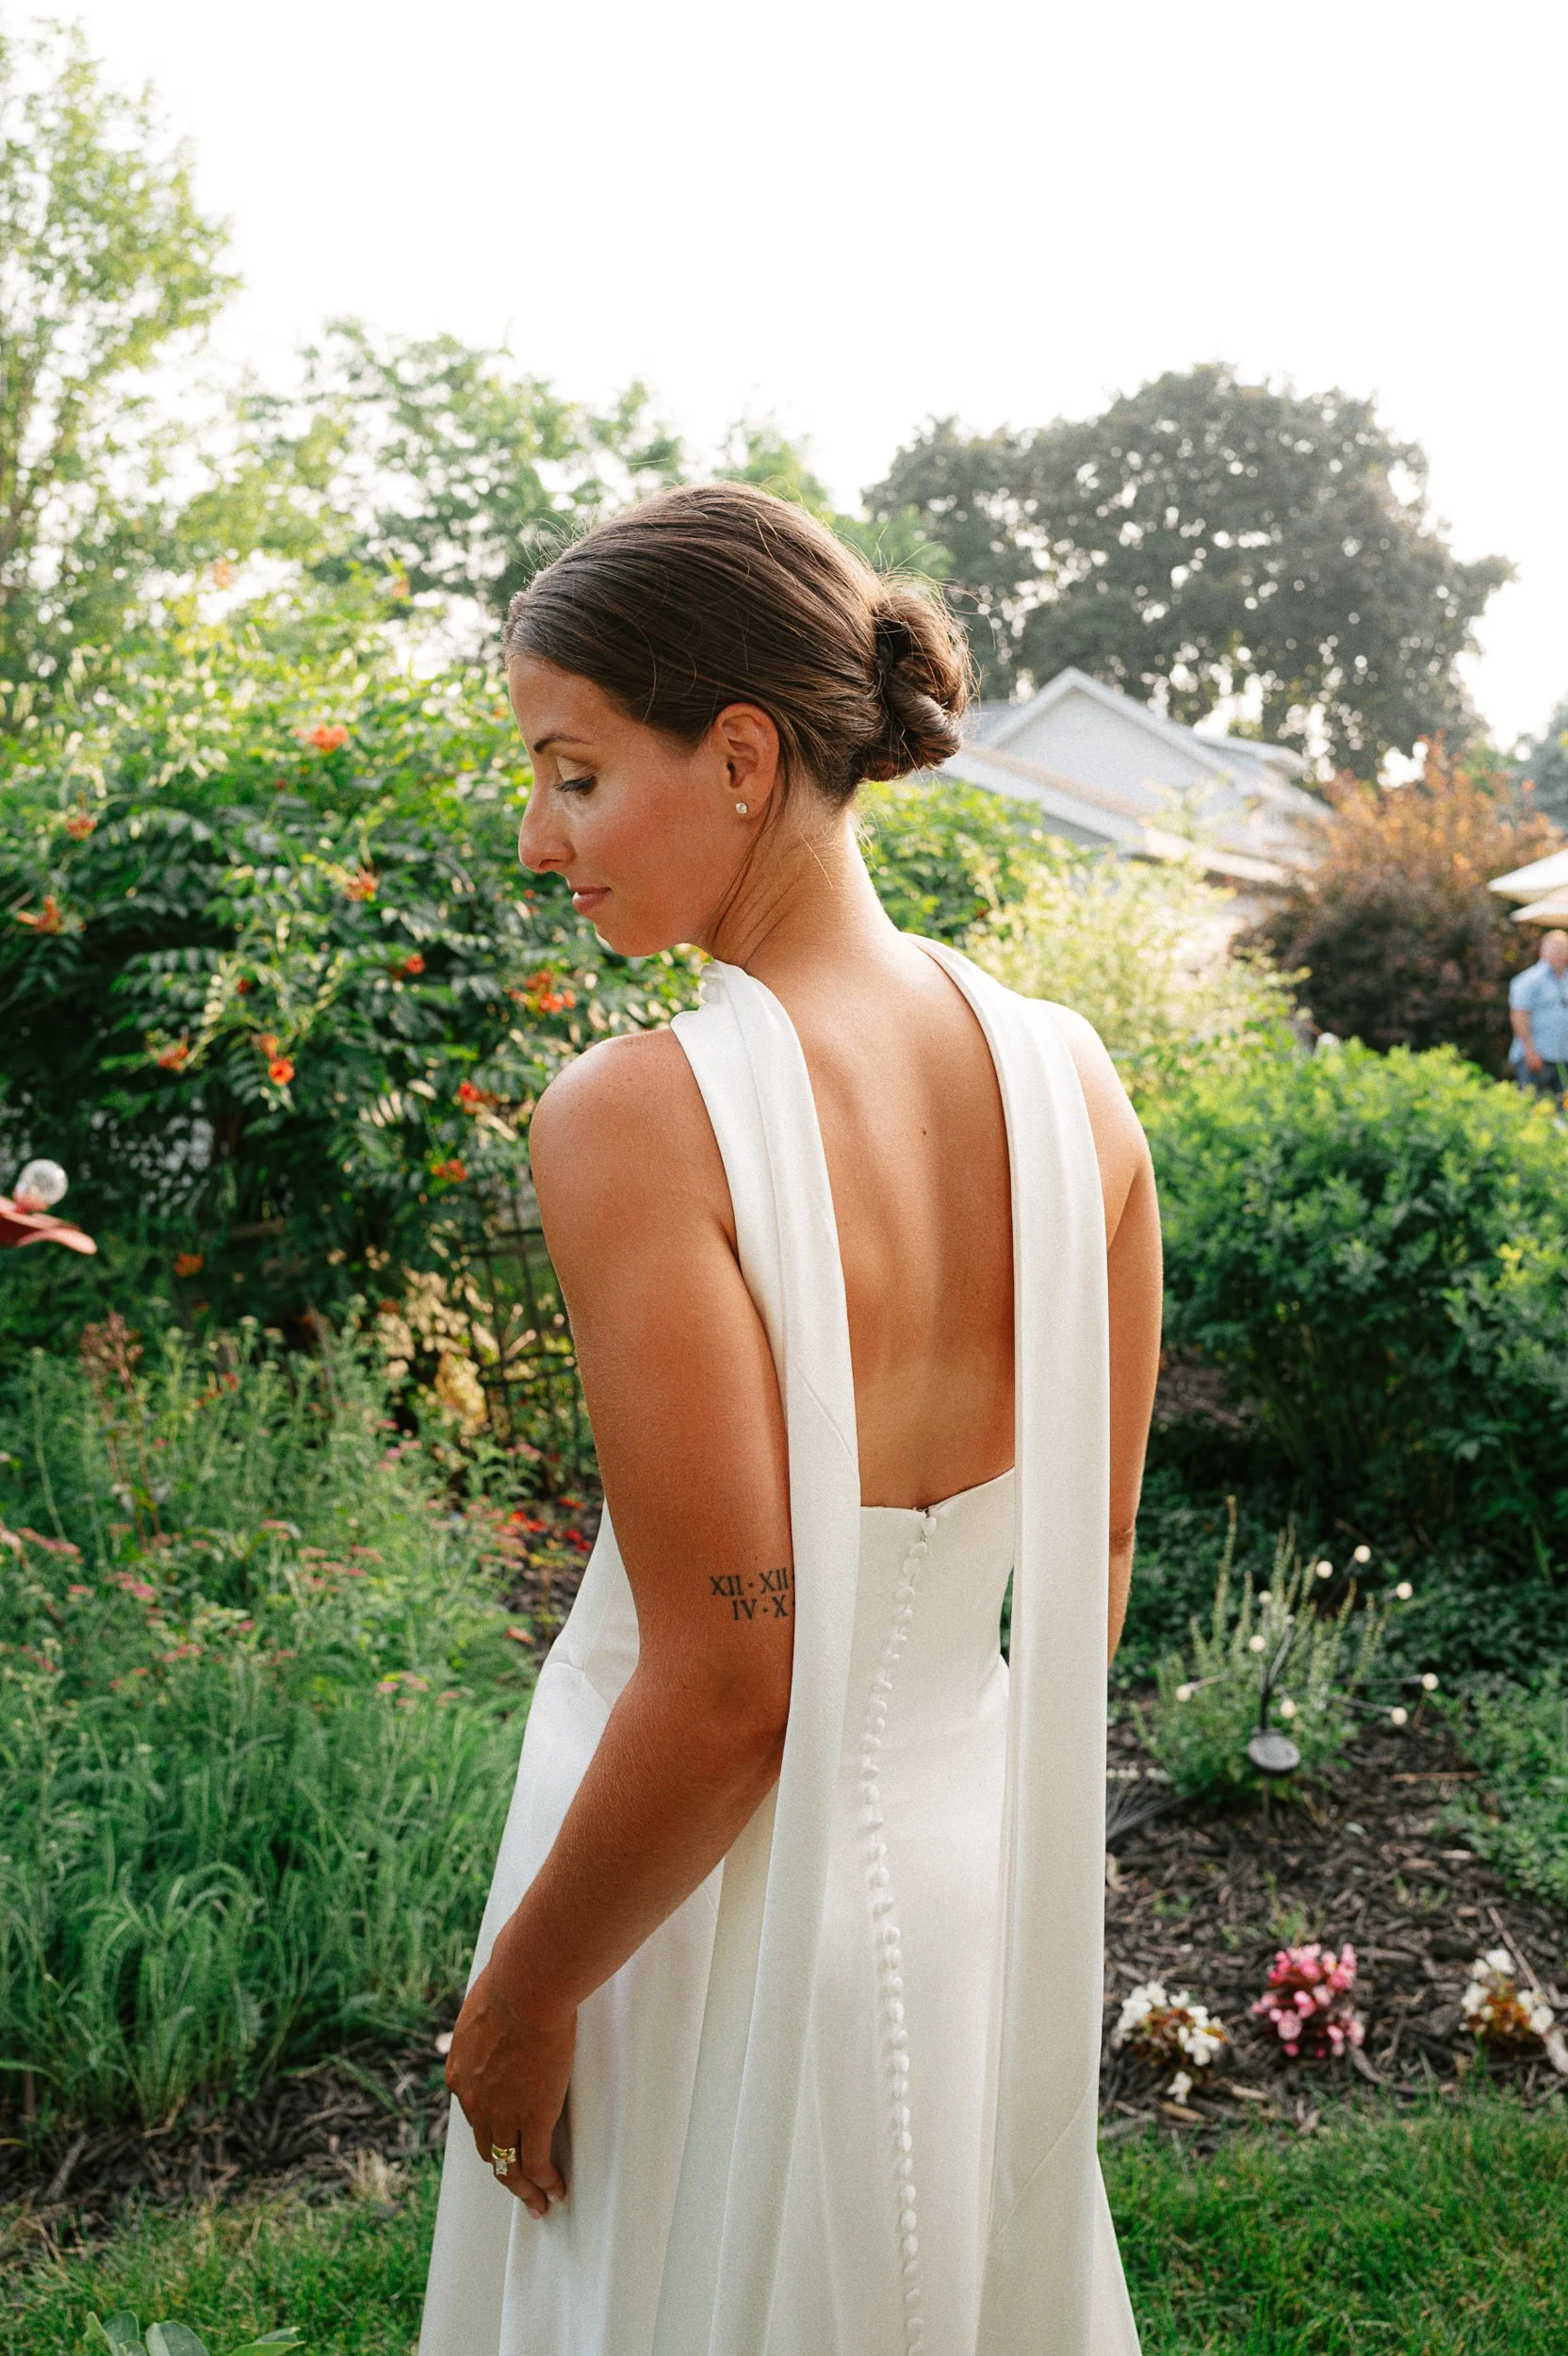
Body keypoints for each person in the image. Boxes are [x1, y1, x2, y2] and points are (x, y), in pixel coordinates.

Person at [418, 484, 1161, 2356]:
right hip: (966, 1894)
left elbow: (735, 1679)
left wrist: (518, 1999)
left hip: (700, 1933)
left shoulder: (636, 1115)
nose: (537, 836)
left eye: (573, 772)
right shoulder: (1078, 1088)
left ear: (740, 756)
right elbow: (1092, 1560)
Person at [1509, 928, 1568, 1103]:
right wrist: (1529, 1050)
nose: (1560, 953)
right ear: (1543, 950)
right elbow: (1519, 1014)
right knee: (1531, 1106)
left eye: (1564, 949)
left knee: (1562, 1112)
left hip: (1562, 1057)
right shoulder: (1529, 980)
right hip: (1536, 1057)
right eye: (1555, 948)